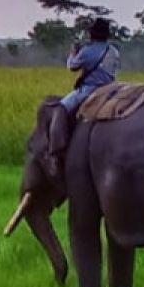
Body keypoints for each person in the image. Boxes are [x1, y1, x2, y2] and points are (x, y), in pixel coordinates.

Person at [47, 17, 121, 177]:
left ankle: (56, 152)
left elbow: (72, 66)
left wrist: (73, 53)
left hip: (91, 90)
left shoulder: (88, 51)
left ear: (92, 35)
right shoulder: (114, 51)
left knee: (60, 108)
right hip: (113, 89)